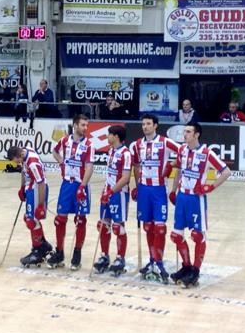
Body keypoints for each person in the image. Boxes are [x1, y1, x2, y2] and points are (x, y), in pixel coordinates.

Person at [168, 122, 231, 287]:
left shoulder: (207, 153)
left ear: (196, 135)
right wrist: (174, 190)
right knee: (176, 235)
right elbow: (179, 171)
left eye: (188, 132)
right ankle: (186, 266)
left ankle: (195, 270)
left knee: (198, 236)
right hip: (182, 197)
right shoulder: (182, 150)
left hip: (196, 200)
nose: (185, 134)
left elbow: (226, 172)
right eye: (184, 131)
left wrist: (210, 186)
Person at [129, 114, 180, 283]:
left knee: (160, 228)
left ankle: (159, 261)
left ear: (156, 125)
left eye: (148, 124)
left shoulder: (165, 142)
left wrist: (171, 166)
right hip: (144, 190)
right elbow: (135, 166)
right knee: (148, 227)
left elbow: (183, 152)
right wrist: (136, 185)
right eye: (143, 124)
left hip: (158, 190)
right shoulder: (136, 145)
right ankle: (152, 260)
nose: (145, 126)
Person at [49, 114, 95, 270]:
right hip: (66, 185)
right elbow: (54, 152)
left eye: (86, 125)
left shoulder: (89, 145)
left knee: (80, 220)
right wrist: (61, 162)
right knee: (60, 219)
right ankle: (59, 252)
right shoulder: (64, 140)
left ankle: (77, 253)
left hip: (81, 185)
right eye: (83, 125)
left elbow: (89, 167)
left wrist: (83, 185)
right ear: (75, 125)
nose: (85, 128)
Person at [94, 125, 131, 276]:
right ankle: (104, 255)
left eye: (109, 135)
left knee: (118, 227)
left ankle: (120, 258)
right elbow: (109, 174)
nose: (107, 137)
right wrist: (104, 191)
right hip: (107, 193)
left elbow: (126, 177)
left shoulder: (126, 154)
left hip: (119, 194)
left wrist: (111, 191)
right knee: (103, 225)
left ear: (115, 136)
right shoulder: (111, 151)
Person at [6, 146, 51, 267]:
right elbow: (23, 171)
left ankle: (37, 252)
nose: (16, 163)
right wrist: (22, 187)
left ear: (19, 155)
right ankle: (43, 245)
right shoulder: (25, 151)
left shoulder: (32, 163)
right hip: (30, 187)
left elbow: (41, 183)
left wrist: (41, 205)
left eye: (15, 160)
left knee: (32, 220)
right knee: (28, 218)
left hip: (37, 189)